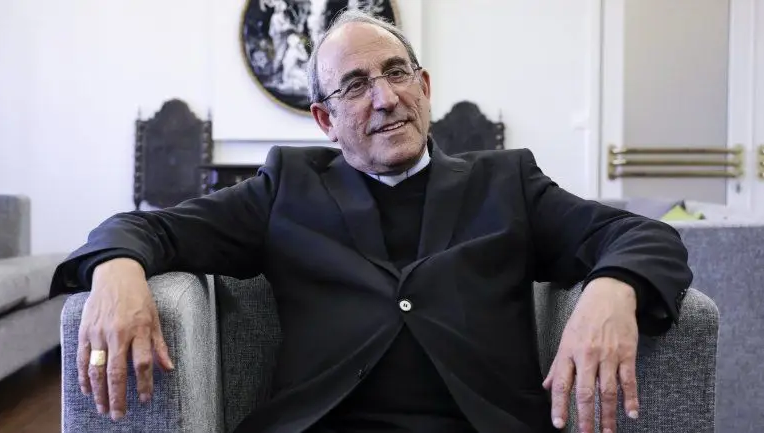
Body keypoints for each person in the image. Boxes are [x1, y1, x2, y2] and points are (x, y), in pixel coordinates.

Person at [49, 10, 692, 433]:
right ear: (324, 120)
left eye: (396, 74)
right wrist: (117, 271)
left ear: (425, 87)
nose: (385, 98)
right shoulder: (286, 187)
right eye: (355, 85)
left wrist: (613, 289)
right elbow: (148, 230)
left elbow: (645, 235)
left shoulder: (506, 182)